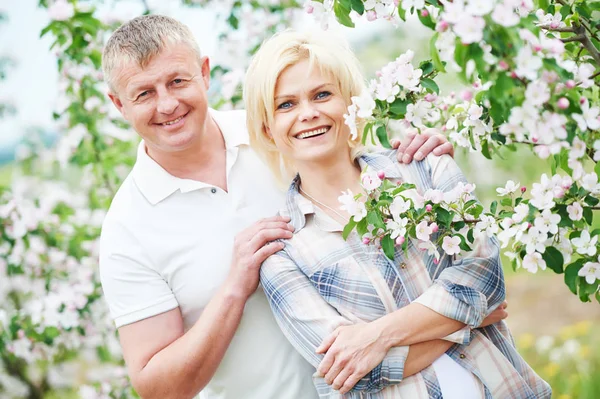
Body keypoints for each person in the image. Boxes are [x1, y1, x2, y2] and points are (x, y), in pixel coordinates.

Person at [98, 15, 455, 399]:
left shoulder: (281, 131)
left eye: (177, 81)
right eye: (144, 94)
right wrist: (235, 288)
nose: (167, 104)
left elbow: (374, 172)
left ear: (204, 72)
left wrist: (422, 157)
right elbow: (159, 389)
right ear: (119, 104)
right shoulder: (127, 229)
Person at [244, 30, 552, 398]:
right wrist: (469, 318)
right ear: (267, 127)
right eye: (286, 105)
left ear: (351, 102)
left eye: (322, 94)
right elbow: (348, 375)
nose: (308, 113)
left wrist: (376, 336)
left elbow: (485, 280)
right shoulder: (282, 252)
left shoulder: (426, 169)